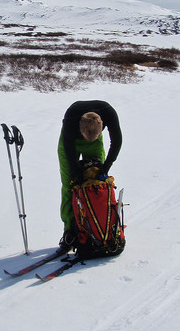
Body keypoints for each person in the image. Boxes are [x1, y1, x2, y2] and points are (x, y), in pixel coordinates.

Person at [57, 100, 122, 249]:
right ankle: (70, 230)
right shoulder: (71, 119)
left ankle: (94, 228)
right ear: (80, 128)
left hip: (94, 144)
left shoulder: (108, 113)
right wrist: (76, 174)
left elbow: (117, 142)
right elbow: (69, 152)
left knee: (96, 184)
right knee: (69, 185)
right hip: (70, 144)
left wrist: (105, 168)